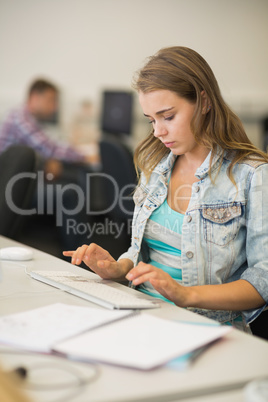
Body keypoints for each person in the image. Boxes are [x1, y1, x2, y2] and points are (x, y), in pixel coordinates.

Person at [63, 46, 268, 332]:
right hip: (140, 312)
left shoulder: (253, 175)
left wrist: (186, 295)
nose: (158, 131)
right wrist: (118, 269)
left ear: (204, 102)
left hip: (206, 328)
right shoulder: (155, 166)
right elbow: (140, 251)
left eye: (168, 116)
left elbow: (264, 281)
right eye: (151, 120)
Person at [0, 79, 97, 177]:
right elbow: (50, 149)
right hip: (9, 180)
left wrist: (51, 160)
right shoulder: (20, 119)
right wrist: (85, 157)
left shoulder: (29, 117)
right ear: (35, 97)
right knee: (78, 175)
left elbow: (50, 144)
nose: (54, 107)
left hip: (19, 176)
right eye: (51, 100)